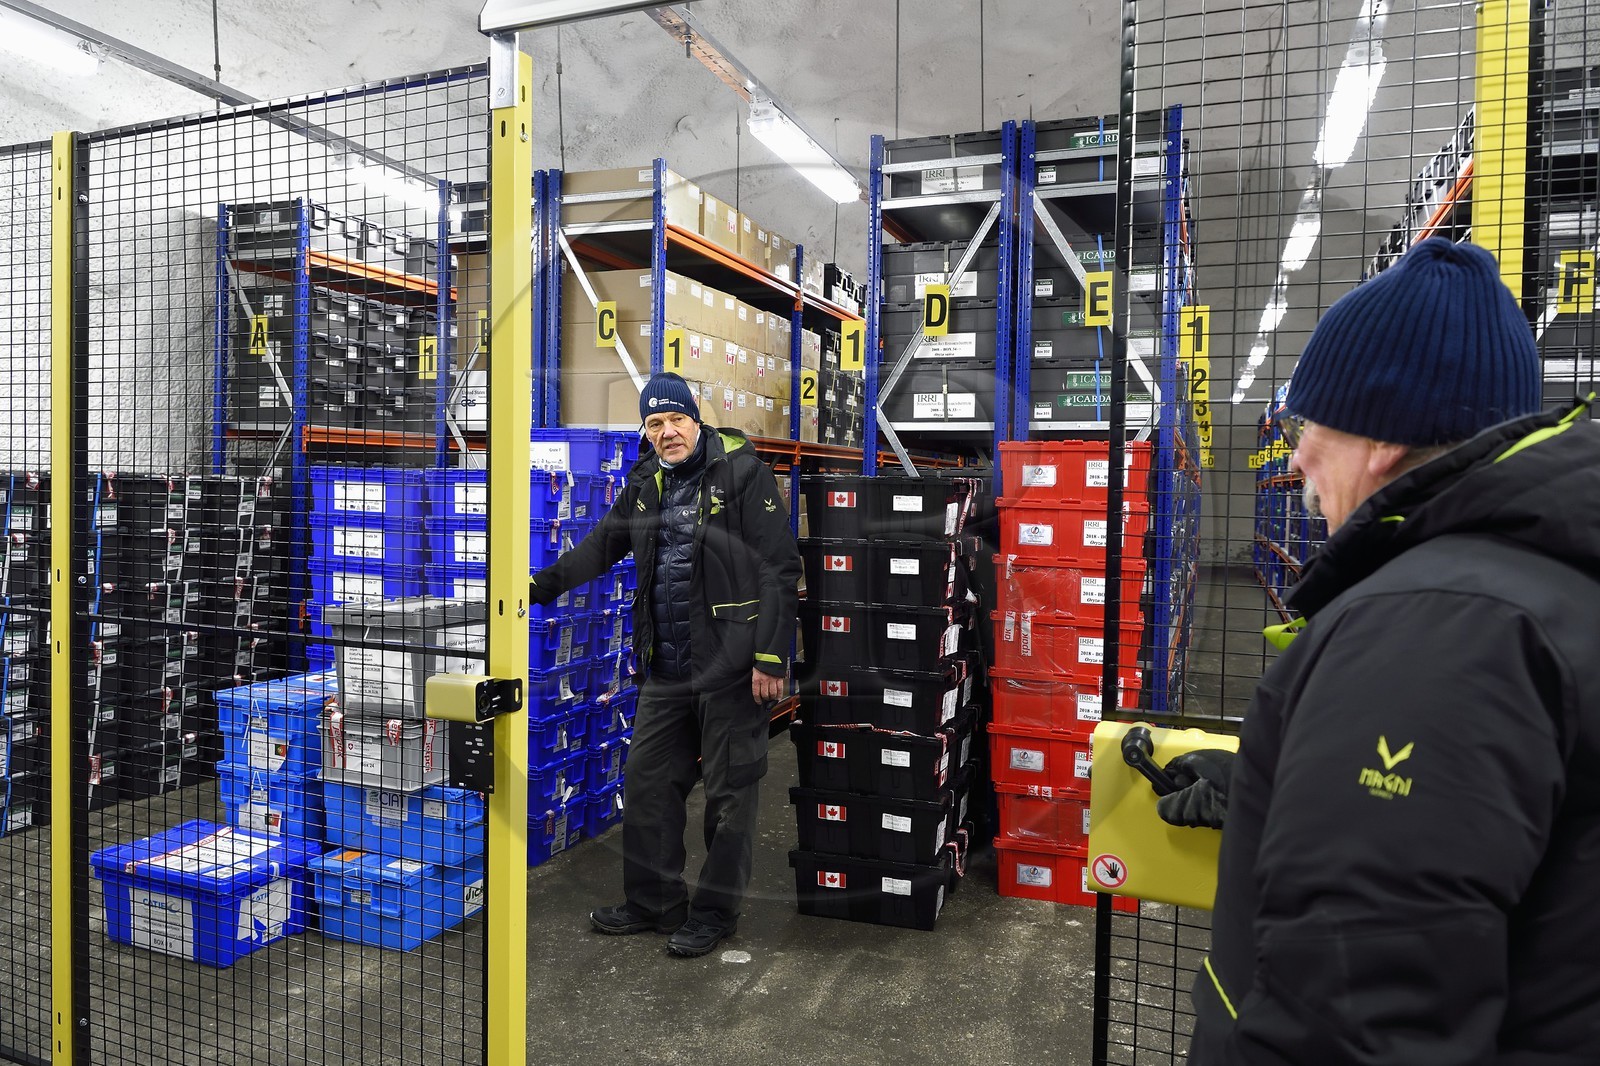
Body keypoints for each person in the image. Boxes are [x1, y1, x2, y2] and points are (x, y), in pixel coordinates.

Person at [1158, 238, 1600, 1062]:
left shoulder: (1436, 627)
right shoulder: (1539, 589)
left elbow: (1352, 1017)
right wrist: (1282, 777)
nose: (1295, 458)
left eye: (1310, 424)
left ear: (1382, 439)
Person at [529, 371, 802, 958]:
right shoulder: (646, 481)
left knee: (731, 797)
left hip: (731, 665)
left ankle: (713, 914)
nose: (667, 432)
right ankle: (653, 903)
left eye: (676, 419)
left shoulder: (741, 472)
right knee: (648, 783)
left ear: (695, 420)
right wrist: (535, 587)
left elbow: (779, 567)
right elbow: (603, 545)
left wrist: (771, 655)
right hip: (667, 667)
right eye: (655, 423)